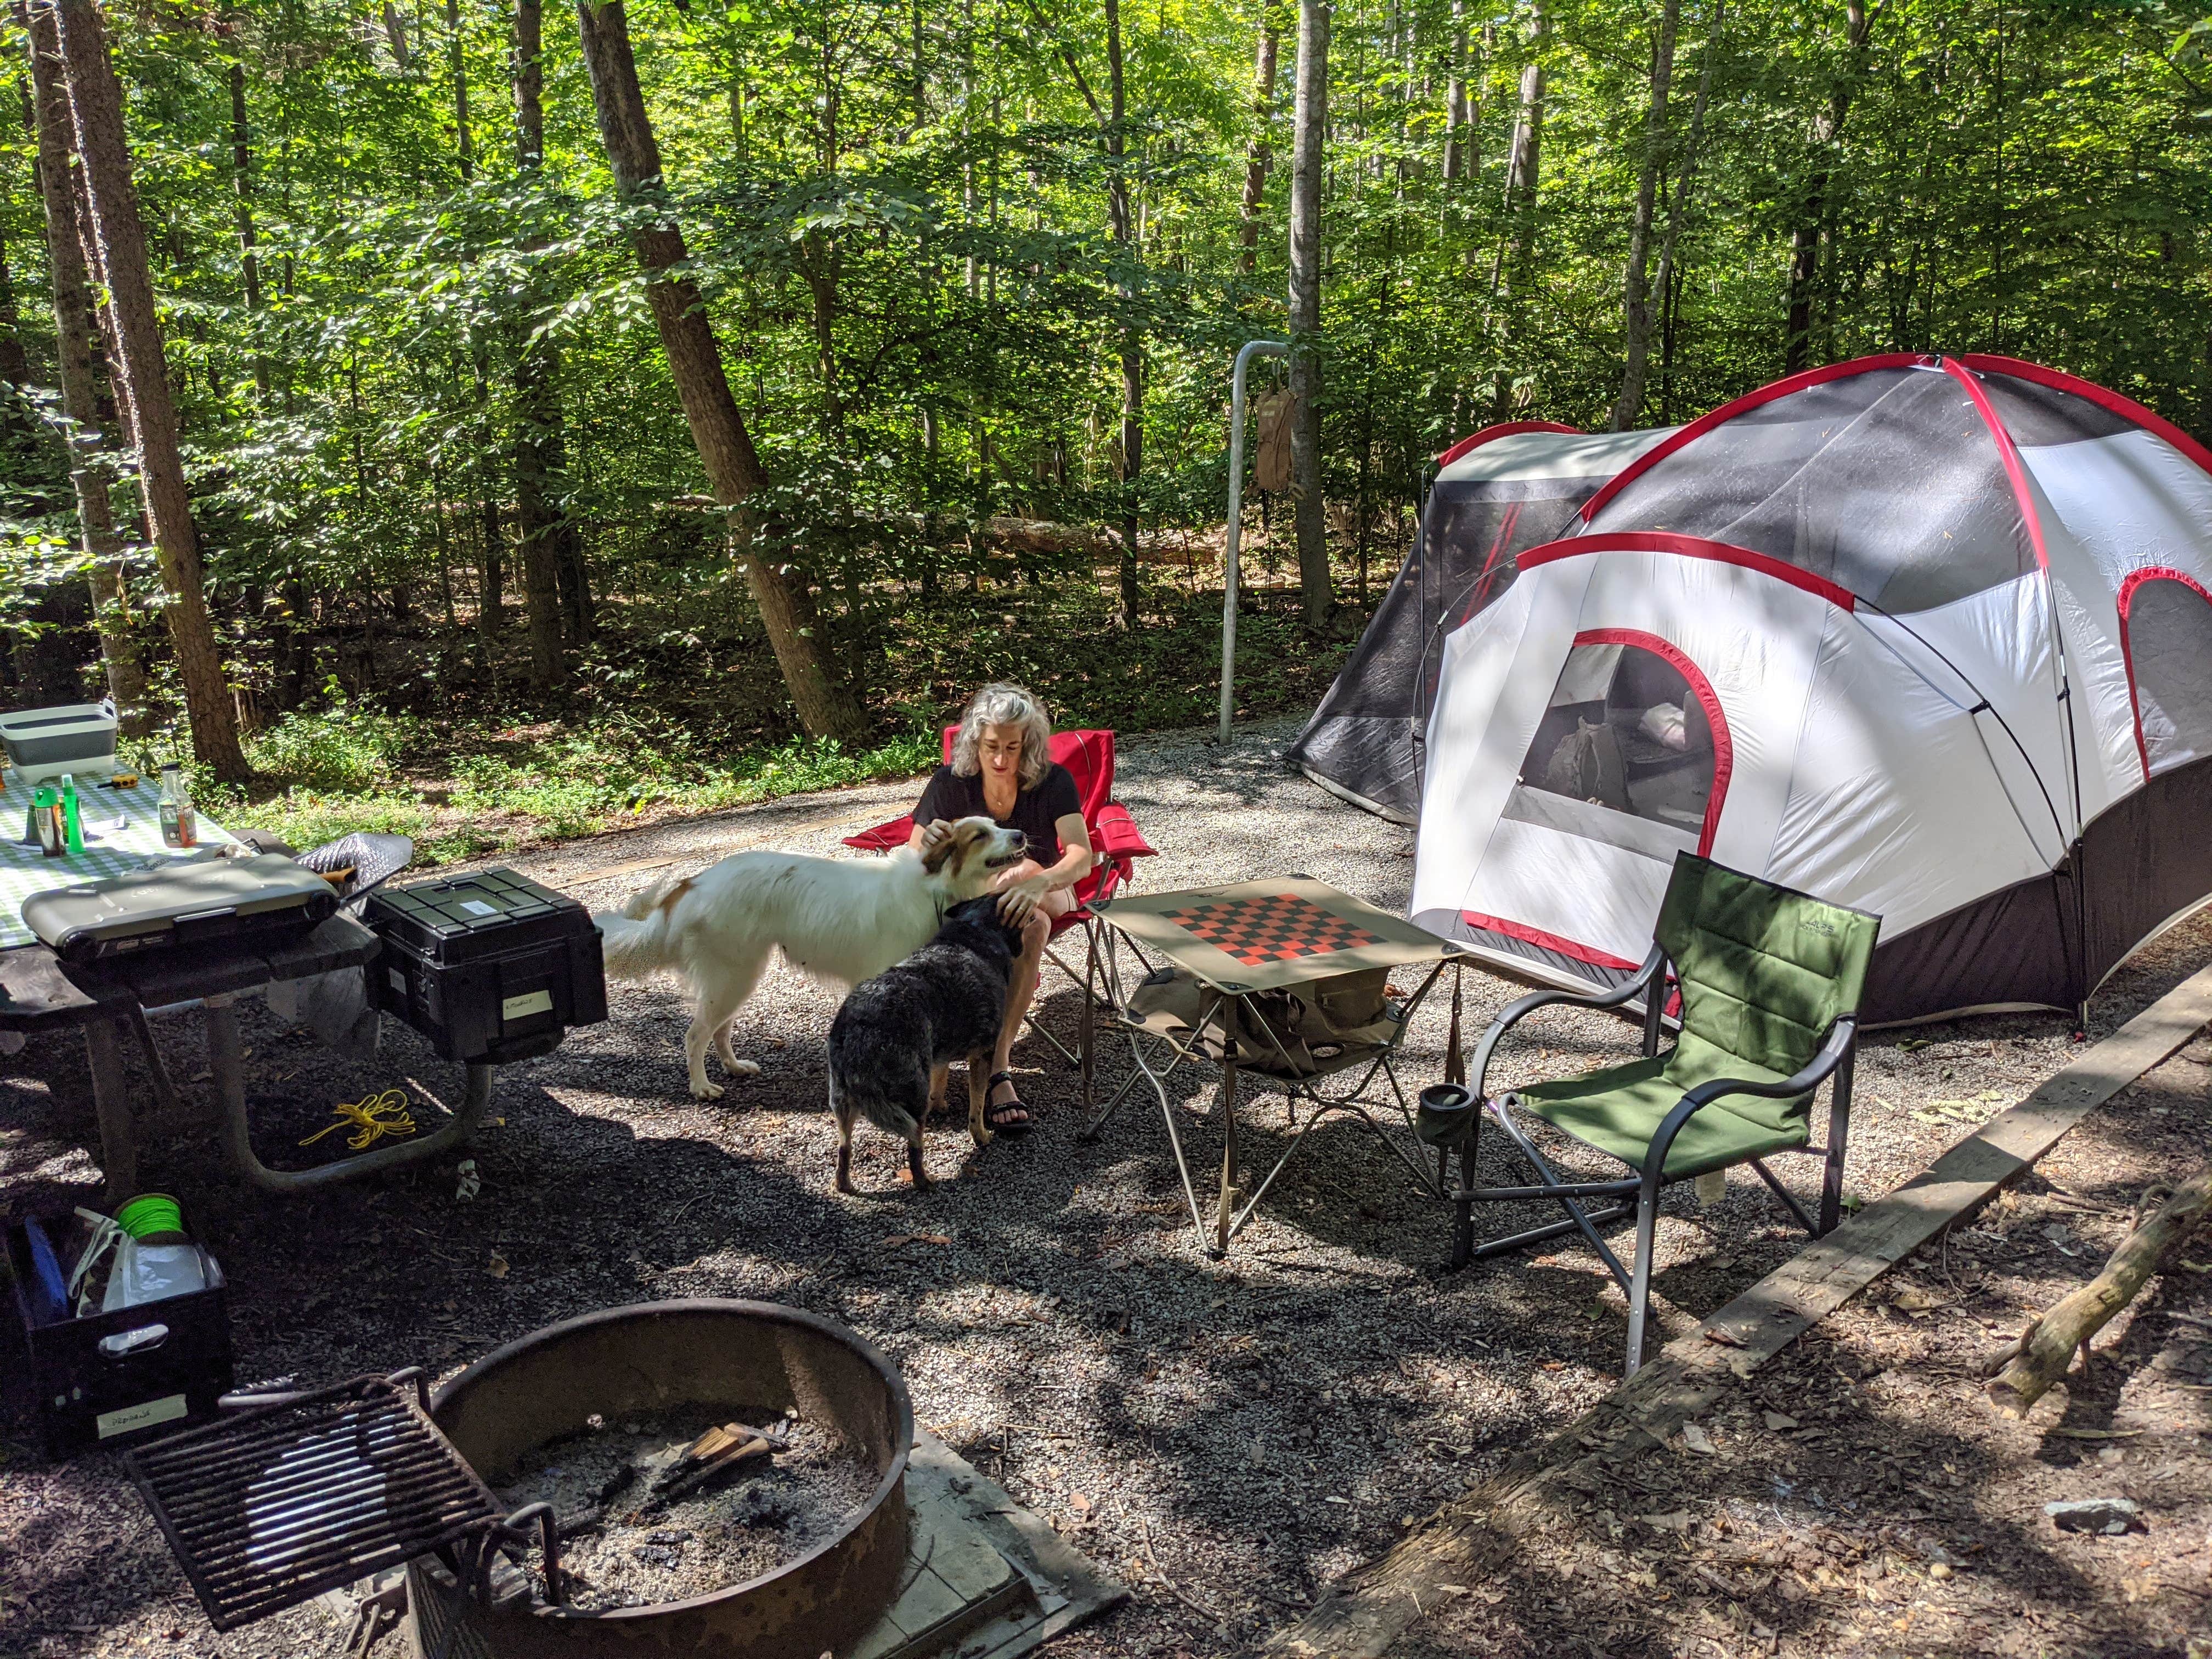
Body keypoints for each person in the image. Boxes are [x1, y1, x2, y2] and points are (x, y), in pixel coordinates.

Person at [910, 683, 1093, 1135]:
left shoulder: (1052, 781)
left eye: (1013, 747)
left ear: (1028, 743)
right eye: (992, 746)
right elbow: (915, 843)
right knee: (951, 916)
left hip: (1051, 885)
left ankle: (997, 1071)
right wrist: (929, 840)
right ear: (975, 739)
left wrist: (1039, 879)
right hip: (978, 899)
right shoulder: (952, 782)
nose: (1001, 760)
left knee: (1030, 920)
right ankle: (936, 1057)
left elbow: (1080, 856)